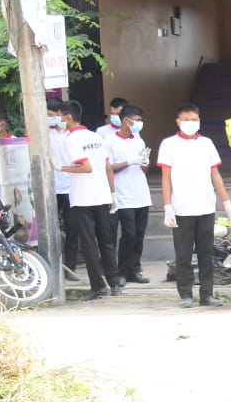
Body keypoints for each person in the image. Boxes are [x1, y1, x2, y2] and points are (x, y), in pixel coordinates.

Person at [159, 104, 231, 309]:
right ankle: (185, 294)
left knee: (206, 254)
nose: (191, 123)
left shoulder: (207, 143)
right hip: (181, 208)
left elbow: (215, 173)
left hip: (206, 206)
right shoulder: (169, 144)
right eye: (186, 120)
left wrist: (226, 201)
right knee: (183, 255)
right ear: (178, 121)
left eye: (194, 119)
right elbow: (166, 178)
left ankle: (207, 294)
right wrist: (167, 206)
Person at [56, 101, 120, 301]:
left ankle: (98, 286)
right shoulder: (96, 136)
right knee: (106, 241)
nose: (58, 120)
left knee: (89, 243)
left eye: (59, 116)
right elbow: (107, 167)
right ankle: (114, 283)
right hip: (102, 195)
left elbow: (86, 167)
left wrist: (60, 168)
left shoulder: (72, 139)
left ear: (67, 117)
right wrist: (112, 193)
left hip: (83, 197)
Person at [108, 104, 152, 285]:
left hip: (141, 193)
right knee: (129, 234)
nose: (140, 123)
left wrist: (143, 162)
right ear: (127, 120)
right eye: (138, 120)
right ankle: (122, 271)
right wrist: (129, 162)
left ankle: (135, 269)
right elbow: (109, 168)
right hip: (123, 195)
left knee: (140, 234)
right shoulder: (111, 141)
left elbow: (144, 168)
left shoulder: (138, 140)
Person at [45, 98, 81, 281]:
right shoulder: (44, 133)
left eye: (52, 115)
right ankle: (50, 267)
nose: (49, 118)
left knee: (73, 227)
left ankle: (71, 268)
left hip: (71, 185)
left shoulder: (72, 133)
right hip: (51, 186)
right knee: (50, 227)